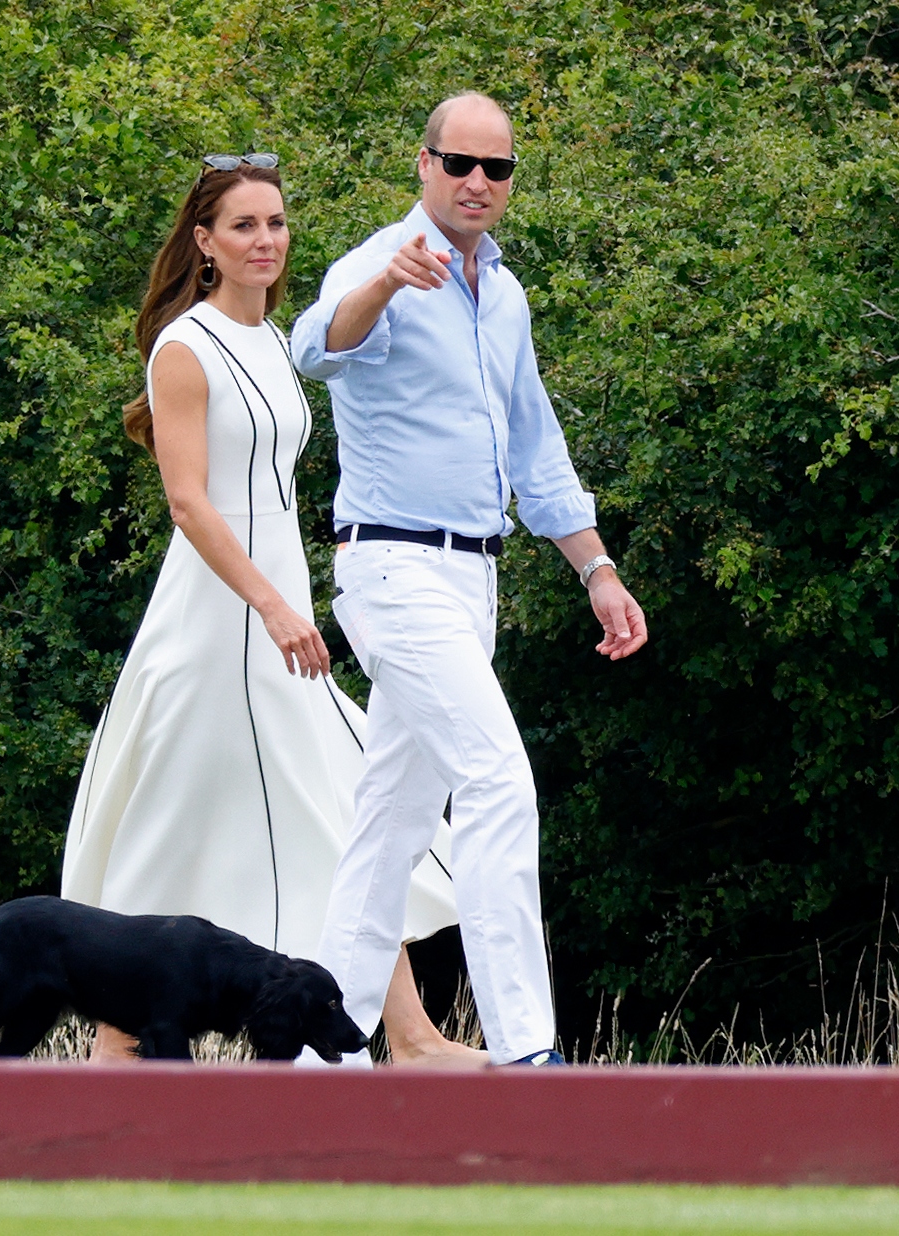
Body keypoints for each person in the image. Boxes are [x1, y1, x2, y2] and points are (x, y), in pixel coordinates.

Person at [60, 152, 481, 1067]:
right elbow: (190, 504)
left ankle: (408, 1035)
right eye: (244, 225)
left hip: (277, 611)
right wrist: (271, 606)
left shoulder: (270, 339)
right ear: (204, 243)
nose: (266, 241)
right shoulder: (186, 346)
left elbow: (275, 487)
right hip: (218, 626)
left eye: (276, 223)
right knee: (176, 826)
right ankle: (108, 1065)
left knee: (345, 797)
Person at [290, 93, 649, 1067]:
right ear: (424, 164)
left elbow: (536, 447)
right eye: (459, 164)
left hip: (471, 582)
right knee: (495, 779)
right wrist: (385, 291)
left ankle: (311, 1060)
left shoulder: (509, 296)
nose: (477, 183)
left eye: (497, 170)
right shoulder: (379, 265)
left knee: (393, 822)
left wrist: (596, 570)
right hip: (391, 567)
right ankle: (529, 1052)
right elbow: (312, 347)